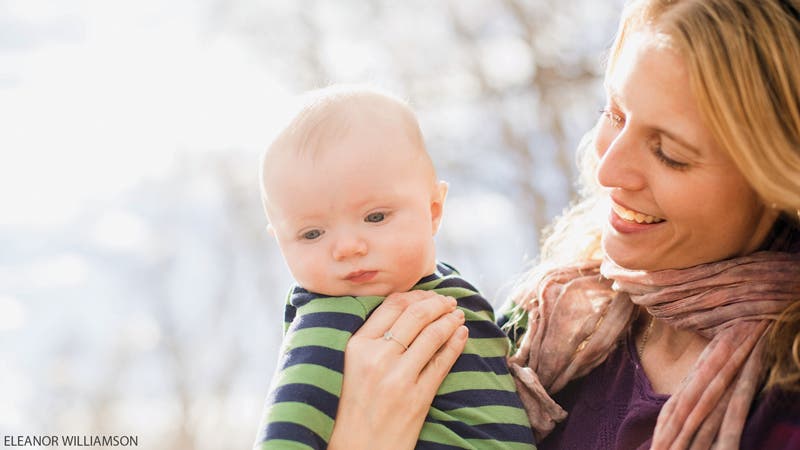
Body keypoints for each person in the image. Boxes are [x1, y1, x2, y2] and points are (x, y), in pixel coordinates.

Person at [324, 1, 800, 449]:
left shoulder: (783, 407)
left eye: (669, 154)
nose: (607, 170)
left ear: (776, 177)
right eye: (614, 114)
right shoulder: (552, 316)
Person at [254, 85, 535, 449]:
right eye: (312, 233)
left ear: (433, 210)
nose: (347, 247)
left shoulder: (449, 285)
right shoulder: (329, 319)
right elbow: (287, 430)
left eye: (375, 217)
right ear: (280, 241)